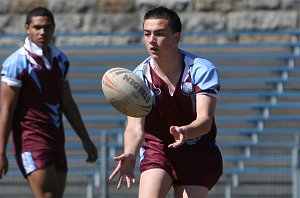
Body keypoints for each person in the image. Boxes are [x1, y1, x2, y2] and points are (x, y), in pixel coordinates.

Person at [109, 6, 223, 198]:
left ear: (176, 37)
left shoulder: (201, 69)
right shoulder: (138, 78)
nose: (152, 40)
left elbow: (205, 120)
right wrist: (130, 152)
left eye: (159, 34)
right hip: (158, 149)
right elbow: (135, 127)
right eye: (147, 33)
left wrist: (185, 132)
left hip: (197, 151)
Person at [0, 7, 98, 198]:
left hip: (55, 138)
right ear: (27, 28)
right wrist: (1, 151)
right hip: (30, 139)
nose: (42, 32)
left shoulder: (60, 60)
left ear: (53, 28)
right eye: (37, 27)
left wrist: (85, 139)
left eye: (47, 27)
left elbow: (68, 103)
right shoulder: (16, 63)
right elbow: (6, 109)